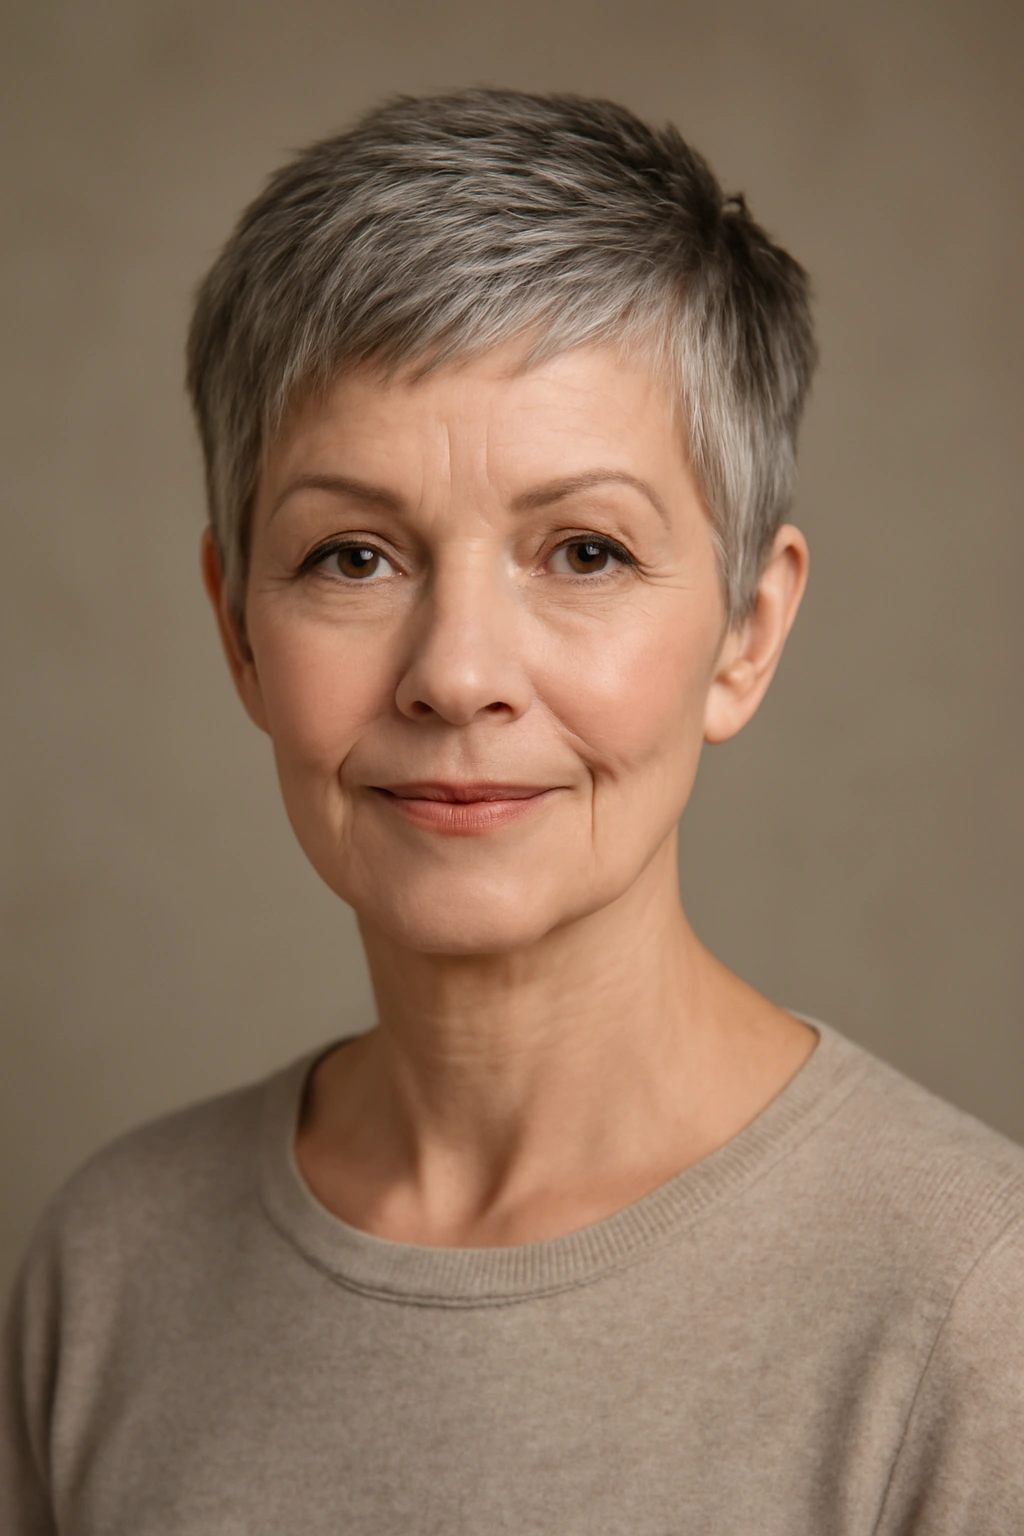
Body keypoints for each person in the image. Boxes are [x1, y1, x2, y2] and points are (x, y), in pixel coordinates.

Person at [2, 88, 1022, 1535]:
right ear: (238, 628)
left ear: (746, 629)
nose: (457, 674)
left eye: (586, 551)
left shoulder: (976, 1311)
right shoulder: (108, 1272)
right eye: (353, 556)